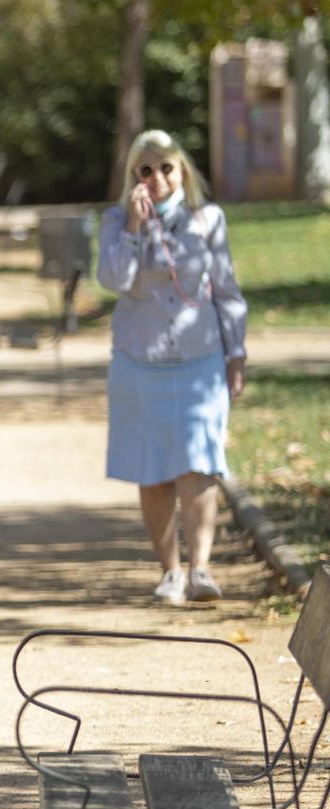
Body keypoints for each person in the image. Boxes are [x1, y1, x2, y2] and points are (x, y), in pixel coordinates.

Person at [97, 129, 248, 605]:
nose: (157, 177)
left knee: (198, 465)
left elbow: (226, 289)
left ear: (181, 170)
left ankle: (201, 568)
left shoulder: (207, 219)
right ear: (133, 177)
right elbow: (113, 279)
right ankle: (170, 572)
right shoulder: (117, 220)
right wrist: (134, 230)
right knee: (153, 469)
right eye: (146, 169)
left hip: (198, 361)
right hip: (139, 363)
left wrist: (236, 353)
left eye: (166, 167)